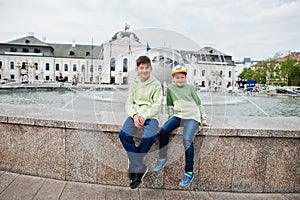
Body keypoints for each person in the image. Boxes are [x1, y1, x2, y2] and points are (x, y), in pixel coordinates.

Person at [153, 64, 210, 188]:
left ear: (185, 77)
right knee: (164, 130)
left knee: (187, 139)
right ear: (173, 78)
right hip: (178, 116)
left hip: (192, 117)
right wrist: (170, 120)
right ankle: (162, 158)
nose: (180, 80)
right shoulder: (170, 89)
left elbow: (199, 104)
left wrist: (203, 119)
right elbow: (169, 106)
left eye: (182, 77)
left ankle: (189, 172)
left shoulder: (190, 88)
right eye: (177, 77)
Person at [119, 55, 163, 189]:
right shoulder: (135, 83)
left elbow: (157, 105)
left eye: (147, 68)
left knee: (149, 137)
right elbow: (129, 102)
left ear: (151, 68)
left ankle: (134, 164)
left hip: (151, 116)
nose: (144, 71)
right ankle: (139, 167)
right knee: (123, 134)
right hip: (135, 115)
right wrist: (134, 115)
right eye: (141, 68)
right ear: (137, 69)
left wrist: (143, 116)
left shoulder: (156, 84)